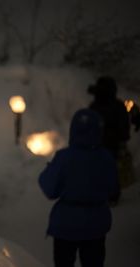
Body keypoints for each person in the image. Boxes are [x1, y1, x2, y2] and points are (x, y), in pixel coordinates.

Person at [39, 109, 119, 267]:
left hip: (66, 225)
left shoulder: (64, 157)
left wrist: (50, 169)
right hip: (96, 225)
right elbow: (113, 190)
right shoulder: (106, 158)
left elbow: (49, 189)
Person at [88, 76, 133, 200]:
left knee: (102, 171)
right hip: (111, 146)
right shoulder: (117, 106)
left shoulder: (95, 106)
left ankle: (105, 194)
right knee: (111, 171)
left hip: (101, 146)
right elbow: (125, 128)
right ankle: (111, 195)